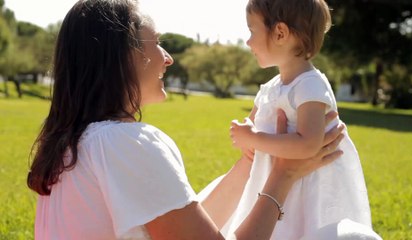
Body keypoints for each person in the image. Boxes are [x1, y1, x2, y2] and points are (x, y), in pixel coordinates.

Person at [26, 0, 344, 239]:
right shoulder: (125, 144)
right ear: (124, 55)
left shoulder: (70, 144)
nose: (168, 57)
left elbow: (187, 222)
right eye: (157, 42)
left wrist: (249, 163)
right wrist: (282, 176)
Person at [228, 0, 375, 239]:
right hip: (272, 182)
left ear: (280, 33)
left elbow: (308, 143)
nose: (248, 41)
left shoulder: (309, 85)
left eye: (252, 31)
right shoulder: (271, 88)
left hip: (307, 187)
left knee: (301, 231)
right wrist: (247, 136)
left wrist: (254, 138)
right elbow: (254, 127)